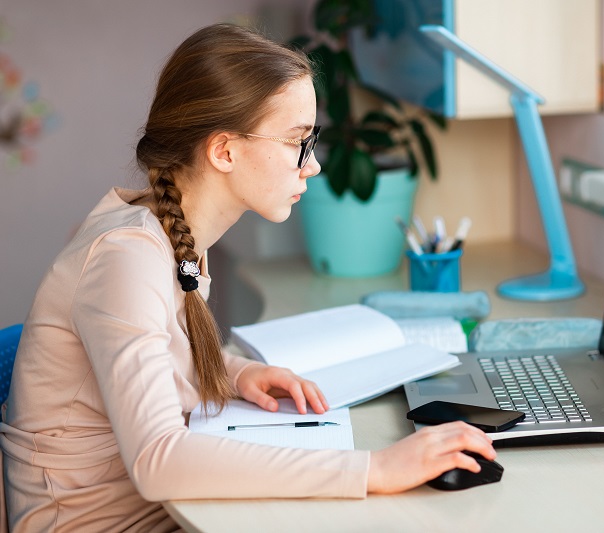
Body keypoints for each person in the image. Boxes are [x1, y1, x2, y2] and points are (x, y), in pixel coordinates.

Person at [0, 23, 495, 531]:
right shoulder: (125, 258)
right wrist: (376, 467)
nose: (314, 166)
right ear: (224, 151)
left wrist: (233, 372)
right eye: (297, 141)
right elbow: (159, 461)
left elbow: (154, 351)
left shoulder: (172, 236)